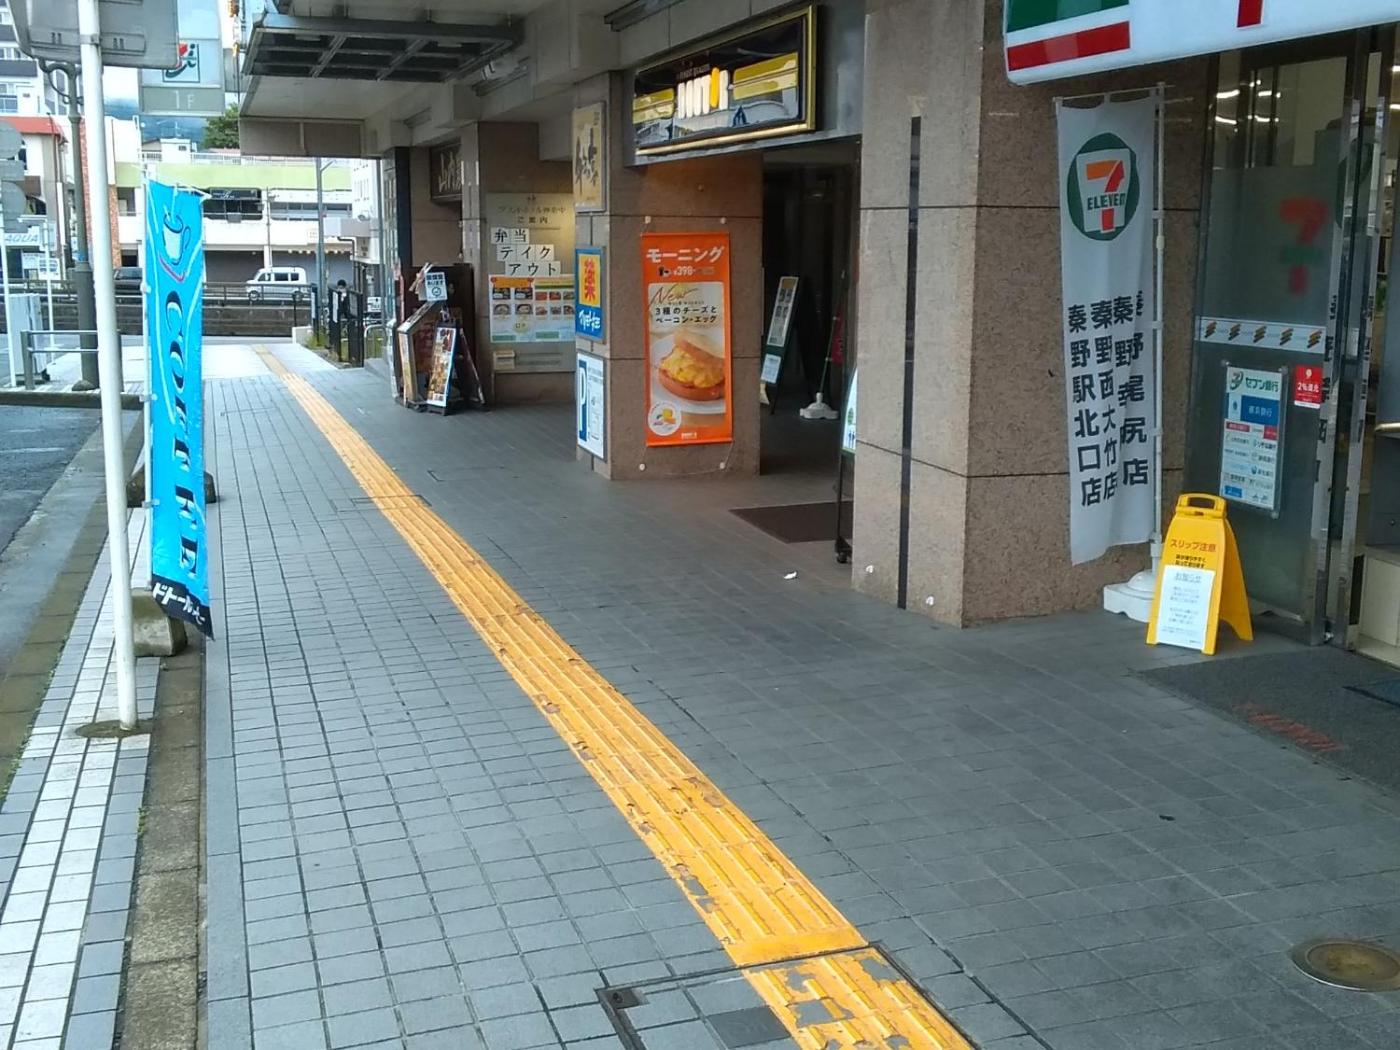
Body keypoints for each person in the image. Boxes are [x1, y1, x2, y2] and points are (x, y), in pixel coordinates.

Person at [329, 279, 351, 357]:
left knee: (341, 327)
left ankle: (337, 344)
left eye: (341, 288)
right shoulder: (338, 295)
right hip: (339, 315)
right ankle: (334, 344)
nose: (340, 289)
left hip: (343, 315)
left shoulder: (345, 295)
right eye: (339, 287)